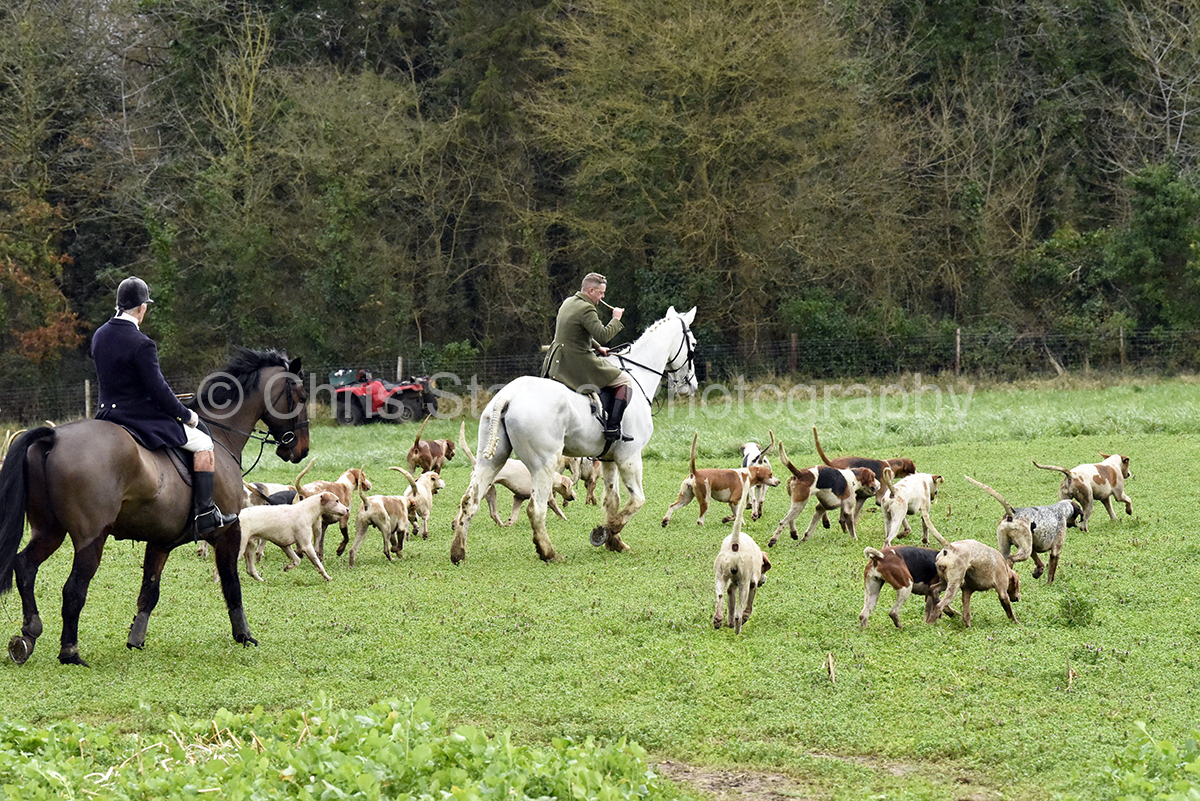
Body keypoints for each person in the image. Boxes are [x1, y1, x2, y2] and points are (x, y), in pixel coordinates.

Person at [91, 277, 238, 535]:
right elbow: (158, 391)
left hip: (106, 415)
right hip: (138, 418)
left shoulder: (99, 336)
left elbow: (121, 381)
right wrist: (186, 415)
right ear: (142, 307)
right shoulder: (142, 343)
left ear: (118, 304)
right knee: (204, 443)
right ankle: (205, 512)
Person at [543, 272, 635, 441]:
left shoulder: (569, 302)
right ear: (591, 290)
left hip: (556, 360)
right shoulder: (587, 308)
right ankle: (613, 428)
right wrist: (616, 319)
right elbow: (604, 335)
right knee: (625, 380)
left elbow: (577, 332)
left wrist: (598, 348)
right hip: (576, 360)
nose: (603, 297)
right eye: (601, 293)